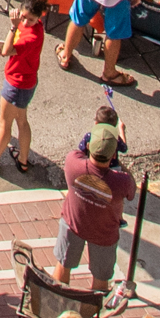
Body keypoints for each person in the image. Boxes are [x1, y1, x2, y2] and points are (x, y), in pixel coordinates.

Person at [55, 117, 133, 292]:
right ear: (114, 154)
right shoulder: (121, 182)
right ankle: (93, 315)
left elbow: (77, 152)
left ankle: (57, 306)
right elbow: (131, 192)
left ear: (89, 146)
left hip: (73, 224)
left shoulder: (72, 162)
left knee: (62, 268)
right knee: (100, 282)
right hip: (104, 234)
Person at [0, 3, 47, 177]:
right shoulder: (38, 28)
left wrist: (13, 26)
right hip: (28, 82)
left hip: (16, 84)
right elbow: (10, 49)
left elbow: (6, 51)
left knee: (5, 124)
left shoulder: (31, 38)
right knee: (22, 121)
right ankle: (23, 160)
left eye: (30, 19)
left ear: (38, 18)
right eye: (24, 17)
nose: (26, 22)